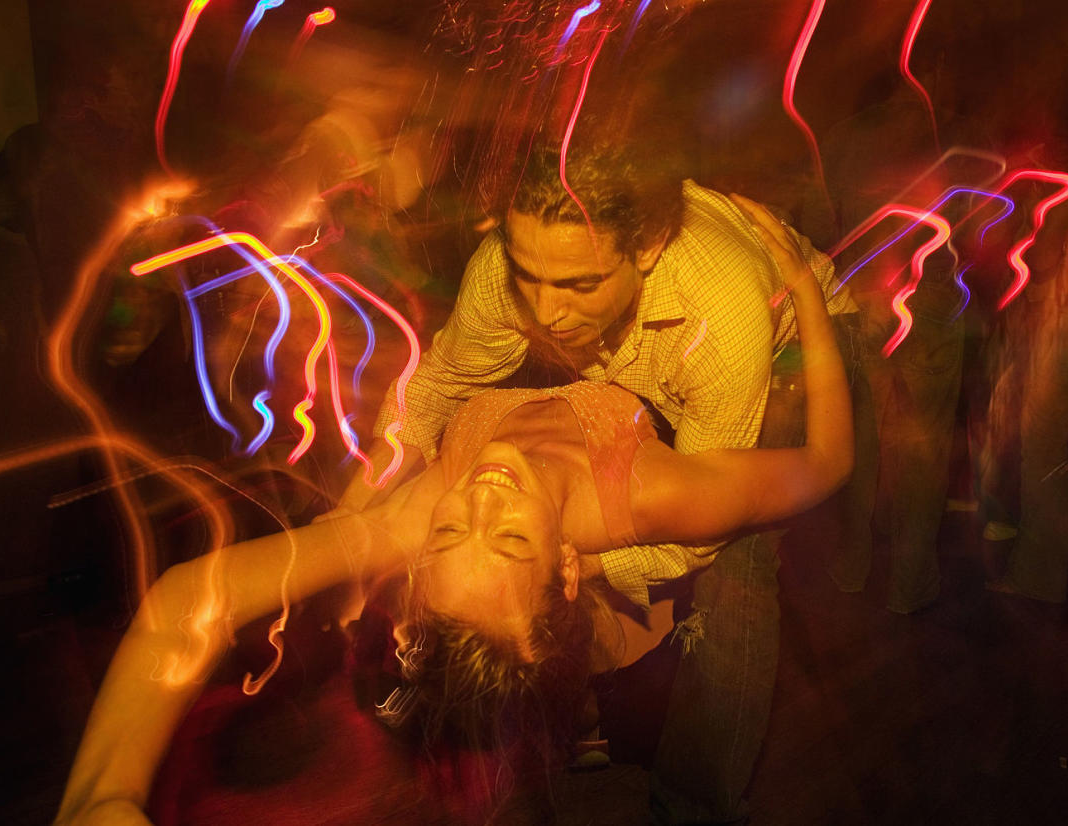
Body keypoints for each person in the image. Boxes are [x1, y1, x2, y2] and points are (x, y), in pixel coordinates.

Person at [53, 197, 852, 825]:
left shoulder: (416, 516)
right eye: (508, 538)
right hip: (713, 353)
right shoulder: (656, 492)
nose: (480, 494)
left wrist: (101, 794)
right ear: (567, 564)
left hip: (600, 335)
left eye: (446, 531)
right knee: (739, 562)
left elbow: (193, 600)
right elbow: (825, 463)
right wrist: (810, 300)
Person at [329, 137, 854, 823]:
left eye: (578, 285)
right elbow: (436, 385)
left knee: (735, 572)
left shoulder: (721, 318)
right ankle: (566, 705)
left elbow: (697, 535)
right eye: (530, 277)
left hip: (790, 338)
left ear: (646, 247)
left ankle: (693, 805)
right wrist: (350, 509)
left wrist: (578, 558)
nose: (545, 312)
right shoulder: (510, 271)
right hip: (635, 376)